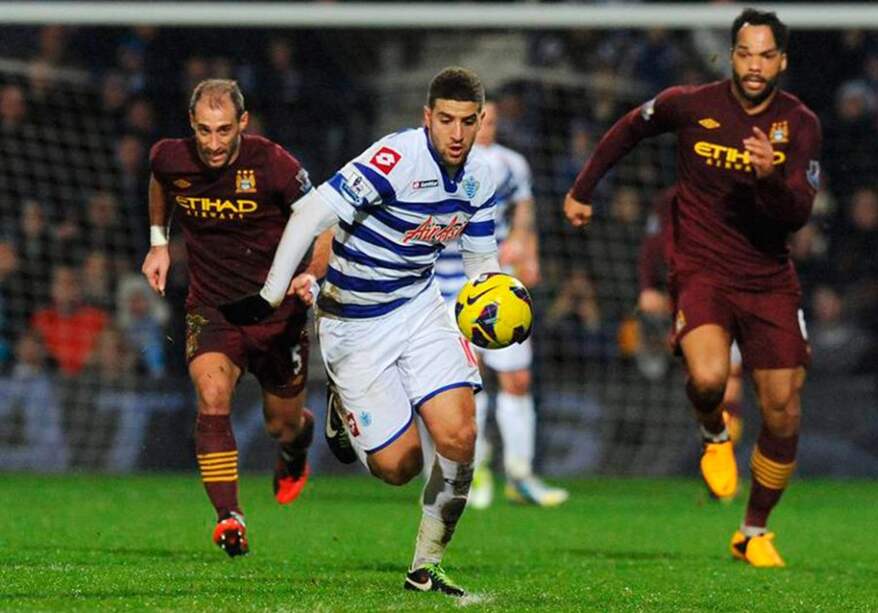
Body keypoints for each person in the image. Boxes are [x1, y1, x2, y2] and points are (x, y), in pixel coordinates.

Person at [221, 67, 498, 596]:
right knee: (399, 466)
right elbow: (307, 215)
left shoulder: (482, 179)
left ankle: (425, 566)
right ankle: (341, 413)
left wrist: (493, 299)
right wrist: (270, 294)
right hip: (353, 323)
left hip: (420, 307)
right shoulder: (394, 159)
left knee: (460, 436)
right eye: (446, 120)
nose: (456, 134)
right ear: (427, 118)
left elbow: (481, 261)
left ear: (481, 121)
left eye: (467, 122)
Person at [565, 9, 821, 567]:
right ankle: (713, 434)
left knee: (783, 410)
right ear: (731, 54)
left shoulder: (798, 125)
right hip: (702, 270)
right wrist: (584, 188)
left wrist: (770, 176)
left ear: (782, 60)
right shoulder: (691, 103)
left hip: (770, 279)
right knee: (707, 380)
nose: (754, 66)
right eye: (745, 53)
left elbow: (798, 214)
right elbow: (630, 126)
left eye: (766, 55)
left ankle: (753, 531)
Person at [141, 79, 326, 558]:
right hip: (213, 310)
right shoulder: (170, 156)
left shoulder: (274, 164)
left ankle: (296, 445)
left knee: (281, 425)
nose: (215, 142)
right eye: (204, 130)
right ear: (192, 125)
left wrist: (311, 275)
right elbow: (160, 180)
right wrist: (159, 243)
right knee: (212, 396)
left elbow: (325, 219)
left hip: (276, 313)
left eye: (224, 130)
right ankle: (229, 516)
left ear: (243, 123)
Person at [433, 100, 567, 509]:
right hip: (450, 287)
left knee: (517, 379)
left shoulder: (512, 164)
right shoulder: (439, 165)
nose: (484, 127)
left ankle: (521, 474)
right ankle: (473, 471)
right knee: (467, 381)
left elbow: (524, 209)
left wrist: (529, 252)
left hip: (498, 283)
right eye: (477, 120)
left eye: (489, 120)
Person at [637, 186, 745, 499]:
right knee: (706, 385)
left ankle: (721, 468)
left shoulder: (738, 196)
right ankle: (716, 458)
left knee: (731, 384)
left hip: (731, 295)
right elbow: (651, 248)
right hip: (687, 298)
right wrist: (647, 288)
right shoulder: (669, 200)